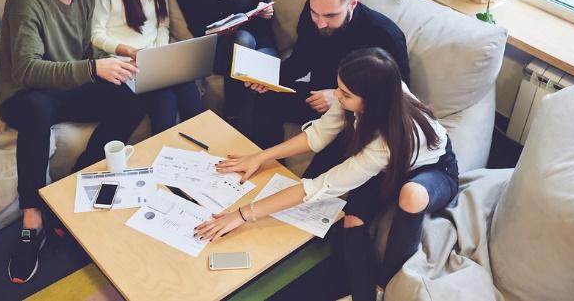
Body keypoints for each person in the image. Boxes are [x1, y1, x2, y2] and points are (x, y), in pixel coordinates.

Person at [195, 48, 459, 300]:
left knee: (410, 195)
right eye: (338, 87)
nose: (336, 95)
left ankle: (387, 285)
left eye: (344, 93)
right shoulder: (366, 95)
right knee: (352, 221)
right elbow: (319, 135)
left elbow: (318, 187)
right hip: (387, 167)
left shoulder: (383, 144)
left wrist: (242, 214)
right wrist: (261, 156)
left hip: (434, 169)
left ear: (371, 100)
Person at [0, 0, 147, 284]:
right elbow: (30, 70)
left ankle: (77, 180)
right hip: (25, 95)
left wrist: (116, 61)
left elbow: (83, 53)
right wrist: (93, 67)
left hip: (66, 89)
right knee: (37, 106)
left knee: (132, 95)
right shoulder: (26, 1)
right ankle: (32, 218)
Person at [248, 0, 409, 166]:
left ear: (352, 3)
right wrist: (270, 79)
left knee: (322, 168)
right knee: (266, 97)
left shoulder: (385, 35)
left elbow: (398, 96)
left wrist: (339, 97)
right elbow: (300, 62)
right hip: (315, 97)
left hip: (355, 114)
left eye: (331, 16)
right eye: (316, 13)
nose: (320, 23)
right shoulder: (311, 14)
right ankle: (266, 170)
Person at [91, 0, 203, 134]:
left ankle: (204, 149)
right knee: (165, 99)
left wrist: (156, 54)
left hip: (153, 58)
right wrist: (128, 51)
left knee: (188, 86)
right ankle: (166, 158)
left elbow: (163, 24)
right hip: (122, 61)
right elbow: (95, 34)